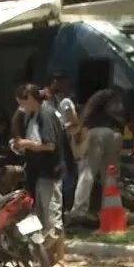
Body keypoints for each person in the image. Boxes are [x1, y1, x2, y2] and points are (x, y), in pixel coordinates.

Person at [13, 84, 69, 267]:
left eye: (21, 101)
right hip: (38, 172)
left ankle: (42, 256)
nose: (20, 106)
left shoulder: (45, 114)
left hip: (49, 172)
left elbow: (50, 145)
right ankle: (57, 260)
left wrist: (27, 143)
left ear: (28, 98)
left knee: (53, 221)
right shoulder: (32, 115)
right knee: (44, 216)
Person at [70, 85, 127, 221]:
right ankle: (109, 209)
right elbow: (131, 121)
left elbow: (88, 112)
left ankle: (79, 209)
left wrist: (79, 131)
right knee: (110, 174)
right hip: (114, 135)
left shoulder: (100, 96)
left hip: (97, 132)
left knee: (87, 171)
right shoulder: (122, 101)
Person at [46, 73, 82, 210]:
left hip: (64, 140)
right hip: (56, 140)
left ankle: (67, 203)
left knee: (68, 171)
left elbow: (74, 121)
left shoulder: (66, 102)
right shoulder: (52, 101)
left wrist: (60, 127)